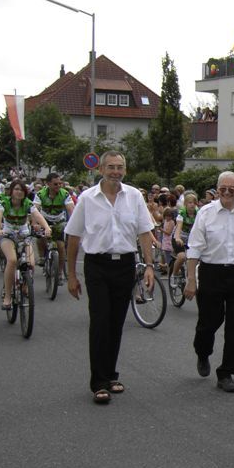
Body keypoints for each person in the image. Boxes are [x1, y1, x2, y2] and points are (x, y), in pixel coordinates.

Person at [65, 151, 156, 405]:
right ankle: (99, 382)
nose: (116, 171)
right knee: (100, 320)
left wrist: (149, 265)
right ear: (101, 169)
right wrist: (71, 275)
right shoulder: (87, 199)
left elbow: (145, 232)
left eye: (120, 167)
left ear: (125, 170)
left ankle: (111, 374)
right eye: (111, 167)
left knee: (116, 322)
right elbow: (73, 237)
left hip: (125, 264)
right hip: (97, 265)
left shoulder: (134, 196)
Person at [183, 171, 234, 393]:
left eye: (231, 188)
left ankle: (226, 373)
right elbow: (195, 248)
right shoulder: (206, 213)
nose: (227, 192)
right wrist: (191, 279)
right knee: (208, 323)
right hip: (211, 273)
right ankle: (202, 352)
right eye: (223, 189)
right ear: (217, 191)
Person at [0, 179, 51, 310]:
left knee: (30, 264)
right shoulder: (4, 203)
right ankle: (7, 296)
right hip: (7, 235)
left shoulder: (28, 203)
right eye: (16, 189)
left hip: (24, 236)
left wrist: (46, 228)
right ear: (11, 191)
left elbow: (38, 216)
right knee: (12, 260)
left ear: (25, 192)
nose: (19, 192)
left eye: (21, 190)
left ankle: (25, 286)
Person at [34, 173, 75, 283]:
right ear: (48, 184)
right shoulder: (40, 194)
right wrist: (35, 224)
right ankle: (42, 257)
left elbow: (72, 210)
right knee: (40, 238)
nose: (58, 186)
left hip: (58, 221)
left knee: (61, 246)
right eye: (55, 184)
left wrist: (74, 224)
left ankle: (60, 273)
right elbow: (35, 210)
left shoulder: (65, 194)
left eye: (60, 184)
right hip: (44, 220)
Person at [171, 192, 198, 285]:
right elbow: (179, 227)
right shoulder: (182, 213)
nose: (192, 205)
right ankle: (173, 275)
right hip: (179, 237)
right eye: (190, 203)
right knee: (182, 257)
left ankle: (190, 279)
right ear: (185, 204)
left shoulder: (198, 213)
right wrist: (178, 238)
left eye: (194, 203)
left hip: (190, 239)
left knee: (194, 258)